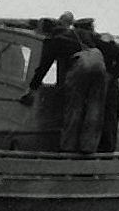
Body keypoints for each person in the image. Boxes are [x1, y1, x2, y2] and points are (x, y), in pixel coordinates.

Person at [20, 12, 108, 152]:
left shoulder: (53, 40)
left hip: (81, 65)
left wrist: (31, 89)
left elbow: (44, 67)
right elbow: (105, 48)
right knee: (95, 109)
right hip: (99, 65)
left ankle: (69, 149)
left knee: (74, 108)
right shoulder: (80, 33)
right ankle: (89, 148)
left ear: (45, 32)